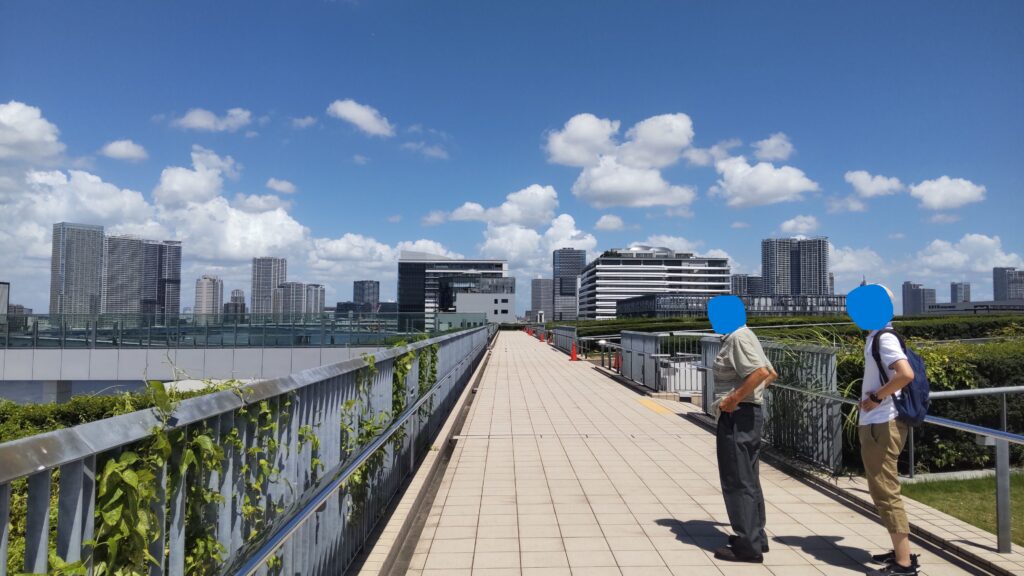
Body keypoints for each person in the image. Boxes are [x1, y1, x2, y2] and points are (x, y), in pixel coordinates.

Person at [847, 284, 919, 576]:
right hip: (879, 422)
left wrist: (876, 398)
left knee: (886, 492)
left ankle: (904, 563)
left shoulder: (883, 339)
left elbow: (905, 374)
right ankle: (899, 551)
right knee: (882, 491)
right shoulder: (878, 337)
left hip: (883, 423)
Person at [708, 295, 778, 563]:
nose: (711, 319)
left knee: (737, 479)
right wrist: (751, 397)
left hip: (737, 416)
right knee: (748, 477)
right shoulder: (746, 334)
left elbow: (760, 373)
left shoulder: (737, 338)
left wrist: (735, 398)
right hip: (748, 415)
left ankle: (748, 546)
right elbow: (771, 373)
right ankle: (755, 536)